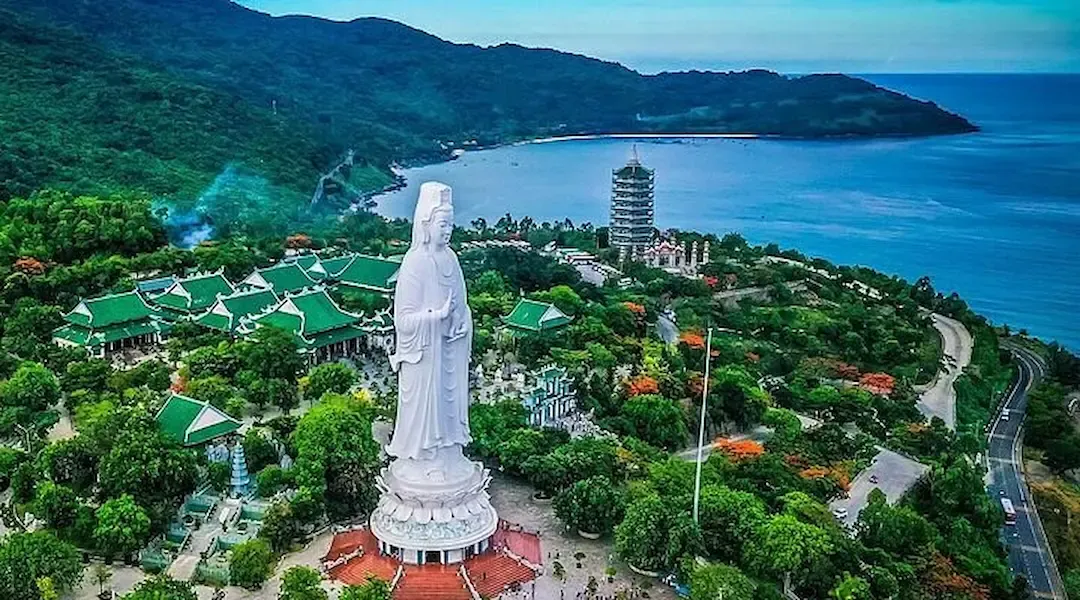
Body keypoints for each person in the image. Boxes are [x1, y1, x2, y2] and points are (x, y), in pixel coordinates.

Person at [386, 182, 474, 464]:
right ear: (426, 224)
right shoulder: (415, 263)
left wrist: (461, 322)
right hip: (424, 354)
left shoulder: (452, 258)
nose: (448, 231)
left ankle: (448, 450)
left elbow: (462, 305)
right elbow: (403, 319)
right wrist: (435, 317)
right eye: (442, 224)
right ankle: (423, 455)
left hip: (449, 346)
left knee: (450, 405)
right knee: (425, 408)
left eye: (451, 225)